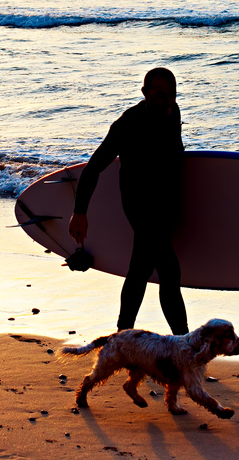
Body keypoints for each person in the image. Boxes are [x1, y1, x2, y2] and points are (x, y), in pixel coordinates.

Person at [68, 67, 188, 335]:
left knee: (141, 269)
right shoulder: (127, 125)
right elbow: (93, 168)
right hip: (140, 204)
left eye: (172, 95)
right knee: (169, 271)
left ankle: (123, 335)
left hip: (165, 203)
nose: (168, 101)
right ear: (144, 92)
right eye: (160, 96)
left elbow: (175, 155)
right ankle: (183, 342)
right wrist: (80, 212)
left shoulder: (173, 111)